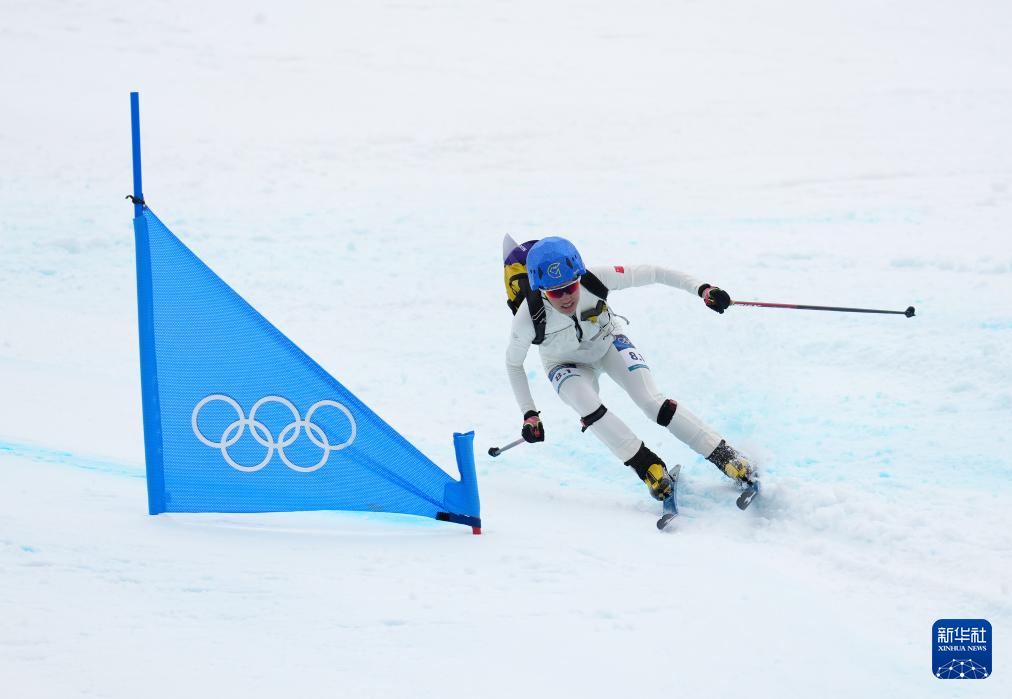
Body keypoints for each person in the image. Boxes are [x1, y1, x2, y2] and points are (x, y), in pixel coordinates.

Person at [505, 236, 757, 501]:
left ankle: (726, 456)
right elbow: (513, 363)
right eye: (556, 292)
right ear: (542, 290)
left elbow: (654, 272)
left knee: (652, 403)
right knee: (587, 406)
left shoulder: (595, 279)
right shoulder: (527, 318)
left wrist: (703, 289)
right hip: (564, 364)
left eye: (571, 286)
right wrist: (529, 414)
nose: (567, 297)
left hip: (608, 342)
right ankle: (649, 468)